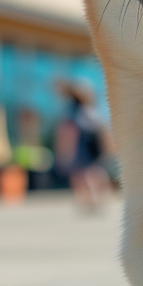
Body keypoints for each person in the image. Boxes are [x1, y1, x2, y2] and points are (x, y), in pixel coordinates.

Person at [53, 79, 112, 212]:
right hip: (88, 147)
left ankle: (91, 200)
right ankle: (91, 199)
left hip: (82, 147)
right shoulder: (88, 110)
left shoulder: (76, 111)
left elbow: (69, 131)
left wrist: (65, 150)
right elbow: (101, 128)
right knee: (87, 173)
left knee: (84, 174)